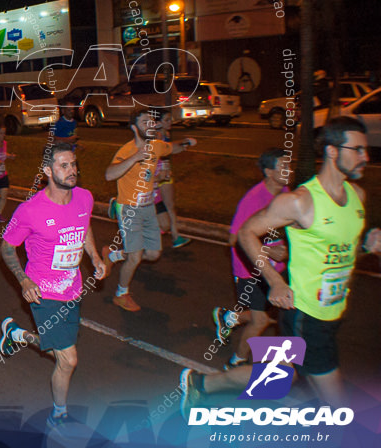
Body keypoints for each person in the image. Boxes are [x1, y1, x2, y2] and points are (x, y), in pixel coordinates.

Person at [180, 117, 381, 412]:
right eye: (358, 149)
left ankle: (200, 384)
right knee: (339, 409)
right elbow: (246, 233)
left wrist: (367, 245)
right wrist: (275, 281)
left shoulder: (357, 197)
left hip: (332, 314)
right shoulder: (300, 201)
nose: (366, 156)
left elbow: (342, 255)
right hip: (306, 317)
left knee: (281, 377)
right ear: (332, 151)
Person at [0, 142, 107, 430]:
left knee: (57, 347)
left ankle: (17, 335)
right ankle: (58, 413)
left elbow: (84, 227)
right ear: (47, 170)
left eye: (73, 164)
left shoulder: (84, 197)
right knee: (68, 359)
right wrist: (24, 280)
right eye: (63, 165)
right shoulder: (30, 211)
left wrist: (95, 256)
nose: (72, 171)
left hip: (73, 288)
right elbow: (7, 248)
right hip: (43, 293)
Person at [101, 109, 195, 311]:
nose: (150, 125)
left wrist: (186, 143)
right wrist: (135, 157)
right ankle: (121, 293)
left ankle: (114, 255)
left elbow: (172, 148)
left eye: (152, 122)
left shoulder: (156, 146)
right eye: (145, 122)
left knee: (153, 254)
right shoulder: (126, 151)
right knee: (135, 256)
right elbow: (109, 174)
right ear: (134, 128)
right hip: (129, 209)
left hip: (148, 208)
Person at [212, 148, 290, 369]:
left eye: (289, 165)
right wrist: (268, 251)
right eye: (283, 166)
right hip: (250, 269)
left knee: (277, 312)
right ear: (268, 171)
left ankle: (229, 318)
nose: (288, 170)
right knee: (262, 320)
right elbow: (234, 239)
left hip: (276, 269)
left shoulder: (285, 192)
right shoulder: (253, 199)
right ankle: (236, 362)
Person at [153, 114, 189, 248]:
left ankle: (173, 234)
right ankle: (172, 235)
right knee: (163, 206)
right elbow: (164, 149)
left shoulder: (166, 133)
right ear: (158, 122)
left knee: (169, 206)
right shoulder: (156, 136)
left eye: (170, 119)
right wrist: (183, 142)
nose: (170, 122)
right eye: (167, 120)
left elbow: (168, 153)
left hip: (165, 174)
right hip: (156, 176)